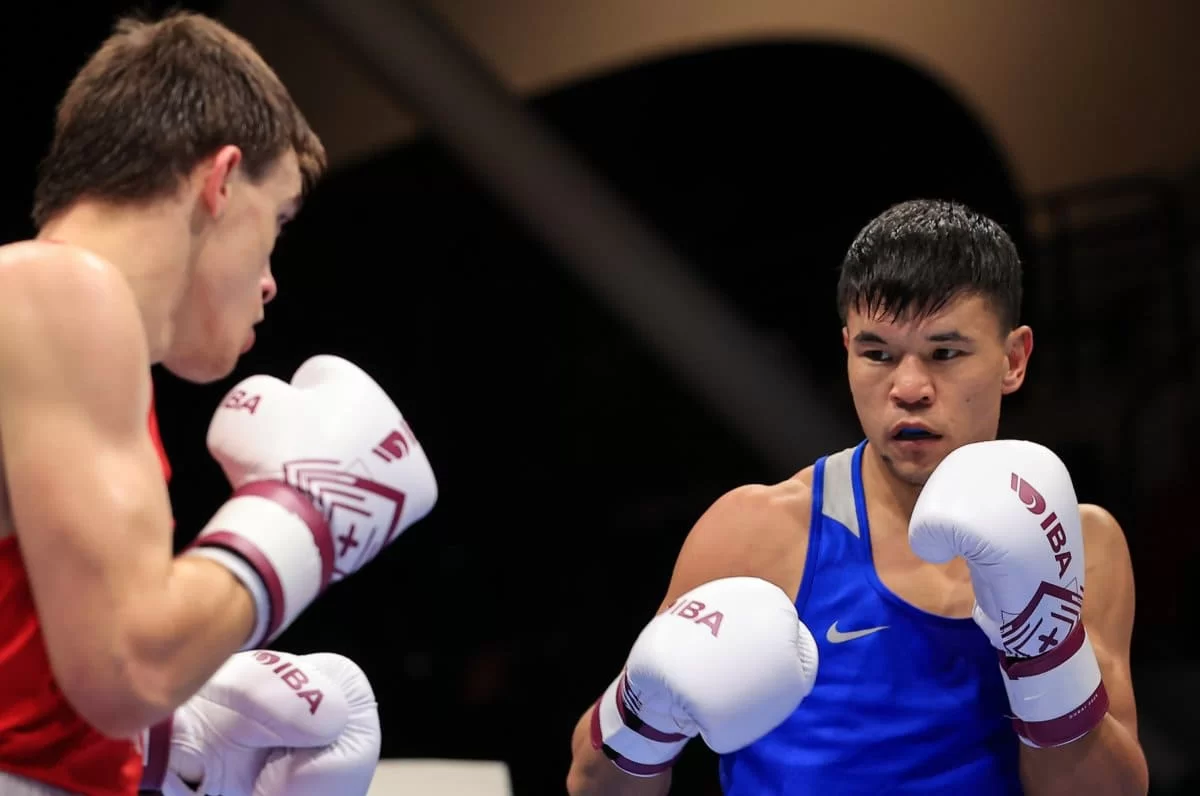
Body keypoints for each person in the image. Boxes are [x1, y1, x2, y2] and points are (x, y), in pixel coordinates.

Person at [565, 199, 1149, 795]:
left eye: (945, 353)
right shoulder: (757, 532)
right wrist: (642, 711)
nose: (909, 388)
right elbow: (591, 784)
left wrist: (1043, 648)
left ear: (1014, 359)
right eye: (877, 354)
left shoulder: (1079, 541)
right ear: (847, 349)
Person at [0, 11, 437, 795]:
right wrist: (308, 512)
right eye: (279, 220)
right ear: (222, 180)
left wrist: (168, 741)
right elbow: (129, 665)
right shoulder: (62, 291)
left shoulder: (46, 325)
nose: (271, 280)